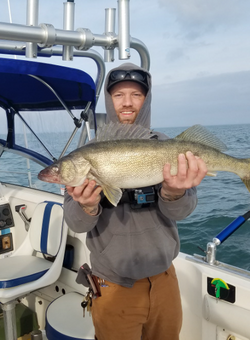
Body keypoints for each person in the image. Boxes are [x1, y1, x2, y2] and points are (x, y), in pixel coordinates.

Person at [64, 62, 207, 340]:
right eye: (118, 95)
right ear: (109, 99)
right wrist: (87, 205)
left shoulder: (170, 146)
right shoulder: (85, 155)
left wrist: (174, 193)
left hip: (165, 281)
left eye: (136, 95)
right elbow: (75, 223)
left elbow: (185, 210)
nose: (127, 103)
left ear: (147, 99)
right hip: (113, 286)